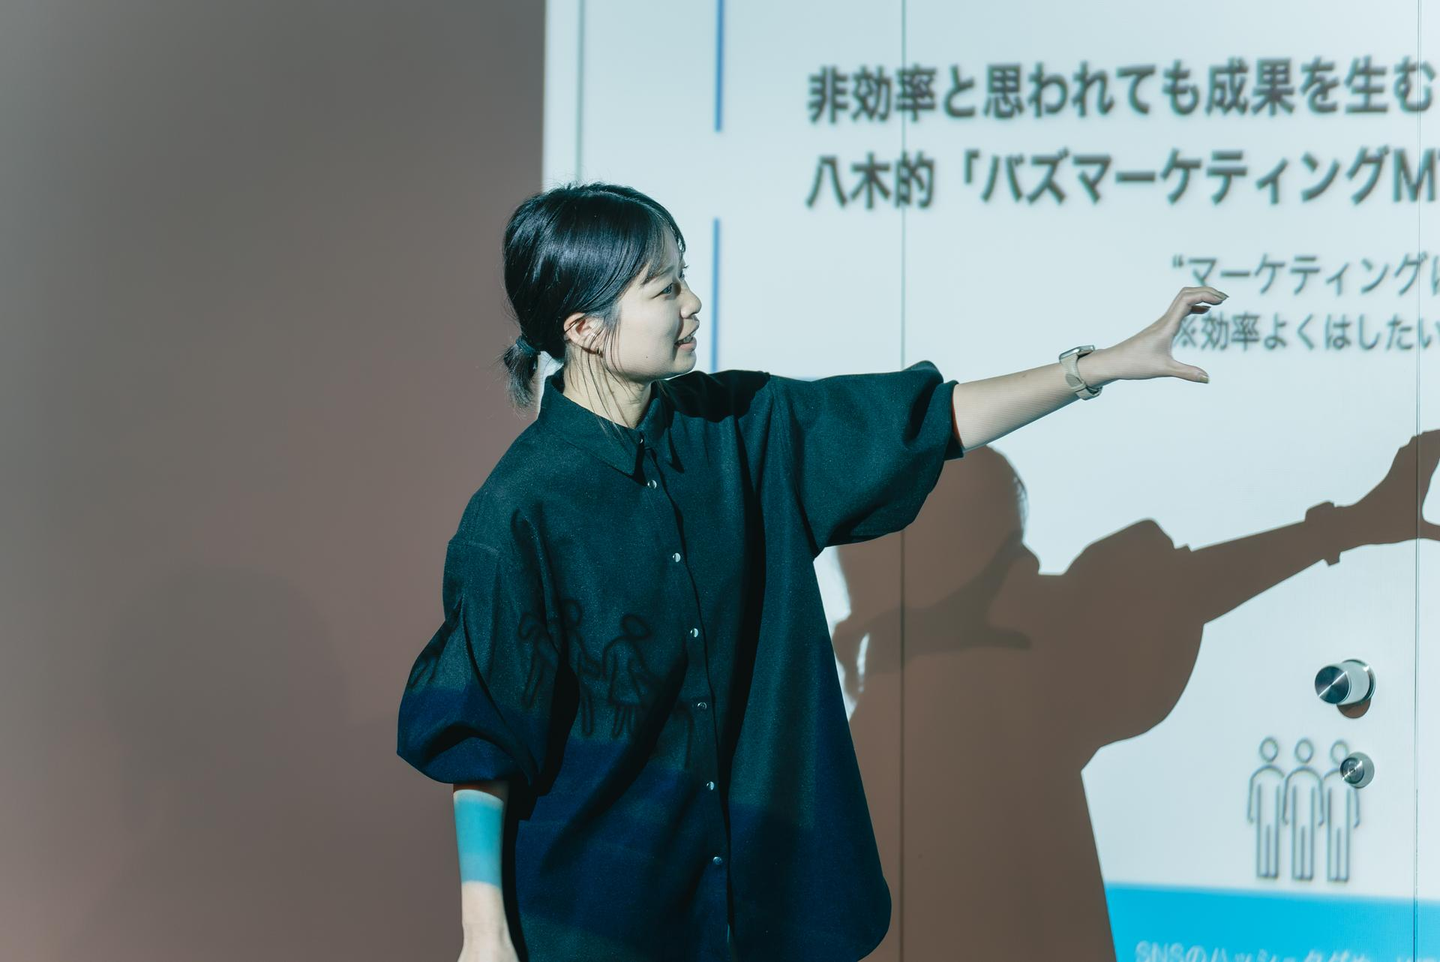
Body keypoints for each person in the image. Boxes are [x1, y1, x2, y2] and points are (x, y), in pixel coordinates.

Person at [396, 181, 1225, 962]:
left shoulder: (743, 426)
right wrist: (484, 936)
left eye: (684, 277)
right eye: (664, 288)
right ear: (584, 328)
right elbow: (483, 741)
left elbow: (926, 422)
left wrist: (1094, 368)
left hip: (770, 912)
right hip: (602, 919)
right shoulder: (518, 511)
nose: (692, 302)